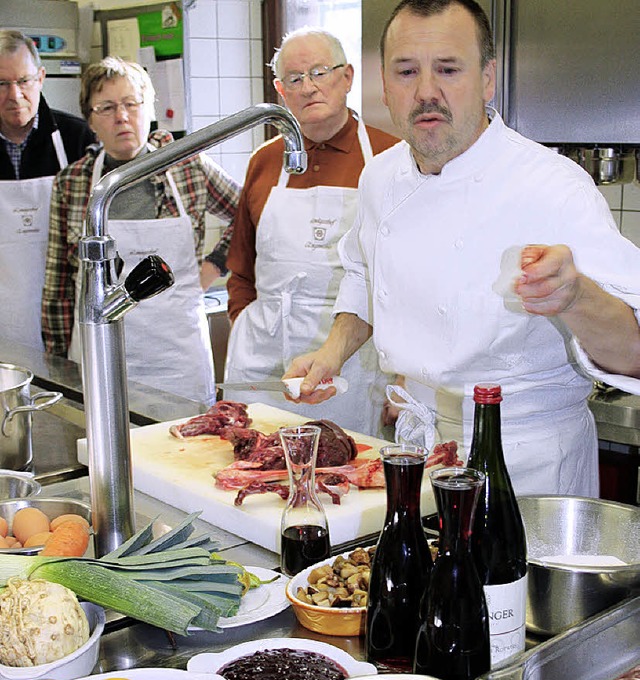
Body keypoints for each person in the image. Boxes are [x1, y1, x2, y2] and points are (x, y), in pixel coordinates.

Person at [284, 0, 640, 497]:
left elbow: (635, 350)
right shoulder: (381, 178)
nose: (427, 92)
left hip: (528, 465)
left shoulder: (553, 187)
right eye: (406, 71)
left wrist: (576, 296)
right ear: (384, 84)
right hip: (420, 451)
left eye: (449, 69)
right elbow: (365, 275)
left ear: (488, 78)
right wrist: (331, 354)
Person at [223, 27, 398, 437]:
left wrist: (403, 373)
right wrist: (244, 322)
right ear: (281, 91)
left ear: (348, 77)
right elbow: (242, 268)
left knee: (344, 478)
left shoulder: (391, 159)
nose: (308, 88)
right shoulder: (264, 161)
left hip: (349, 363)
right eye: (295, 79)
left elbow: (407, 279)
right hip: (263, 359)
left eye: (319, 72)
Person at [42, 56, 240, 405]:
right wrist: (58, 363)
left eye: (131, 104)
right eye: (106, 107)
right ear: (90, 120)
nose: (121, 117)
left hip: (178, 362)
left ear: (149, 107)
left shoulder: (187, 167)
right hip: (99, 357)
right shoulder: (73, 183)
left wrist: (209, 271)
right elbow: (58, 282)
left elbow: (247, 214)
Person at [0, 30, 95, 350]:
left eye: (23, 81)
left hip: (68, 323)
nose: (14, 95)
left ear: (41, 78)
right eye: (1, 84)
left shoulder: (78, 139)